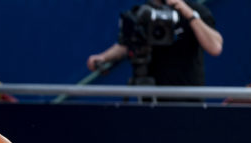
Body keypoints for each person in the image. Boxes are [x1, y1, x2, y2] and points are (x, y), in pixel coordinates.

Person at [87, 0, 223, 88]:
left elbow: (215, 47)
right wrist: (104, 57)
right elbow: (126, 44)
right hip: (152, 93)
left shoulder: (194, 10)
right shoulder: (142, 12)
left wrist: (189, 14)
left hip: (187, 94)